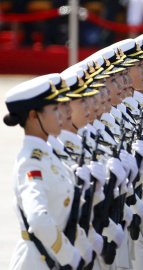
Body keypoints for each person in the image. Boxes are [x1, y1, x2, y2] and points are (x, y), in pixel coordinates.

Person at [5, 76, 88, 269]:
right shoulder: (31, 163)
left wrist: (84, 248)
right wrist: (68, 254)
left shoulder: (49, 155)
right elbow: (39, 219)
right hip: (38, 260)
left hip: (51, 257)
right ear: (34, 116)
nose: (62, 115)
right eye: (55, 109)